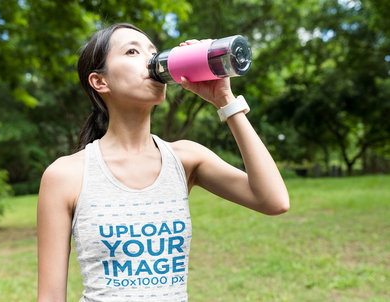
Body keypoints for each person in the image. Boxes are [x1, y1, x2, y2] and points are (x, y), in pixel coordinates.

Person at [37, 23, 289, 302]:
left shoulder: (186, 158)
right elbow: (50, 296)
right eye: (132, 51)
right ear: (100, 82)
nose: (150, 60)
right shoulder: (66, 174)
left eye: (153, 52)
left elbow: (273, 200)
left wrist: (225, 100)